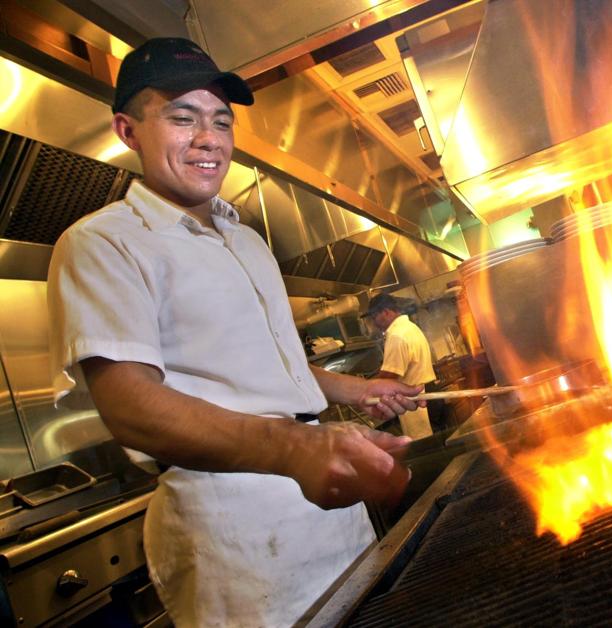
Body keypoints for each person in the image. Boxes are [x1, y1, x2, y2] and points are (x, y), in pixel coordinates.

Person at [46, 37, 426, 628]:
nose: (209, 138)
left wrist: (357, 391)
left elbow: (272, 371)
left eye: (221, 121)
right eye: (182, 117)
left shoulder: (246, 239)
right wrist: (299, 447)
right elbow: (131, 408)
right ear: (128, 130)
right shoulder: (103, 243)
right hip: (235, 526)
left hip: (327, 504)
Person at [364, 293, 437, 440]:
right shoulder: (410, 327)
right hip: (429, 392)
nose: (374, 323)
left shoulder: (397, 335)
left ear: (386, 312)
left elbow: (389, 376)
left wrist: (365, 388)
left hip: (416, 400)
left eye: (374, 317)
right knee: (437, 443)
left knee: (424, 446)